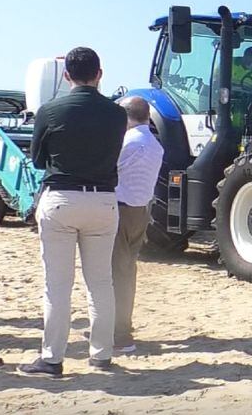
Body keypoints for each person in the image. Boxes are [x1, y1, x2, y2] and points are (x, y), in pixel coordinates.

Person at [19, 47, 126, 378]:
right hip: (104, 200)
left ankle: (52, 359)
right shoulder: (117, 114)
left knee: (58, 285)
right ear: (100, 74)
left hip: (62, 198)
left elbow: (37, 159)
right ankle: (101, 354)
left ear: (67, 76)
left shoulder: (50, 110)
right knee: (101, 283)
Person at [110, 96, 164, 354]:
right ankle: (119, 328)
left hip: (121, 209)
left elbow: (110, 170)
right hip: (141, 210)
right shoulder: (155, 144)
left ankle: (119, 334)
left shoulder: (128, 143)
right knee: (127, 271)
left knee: (116, 274)